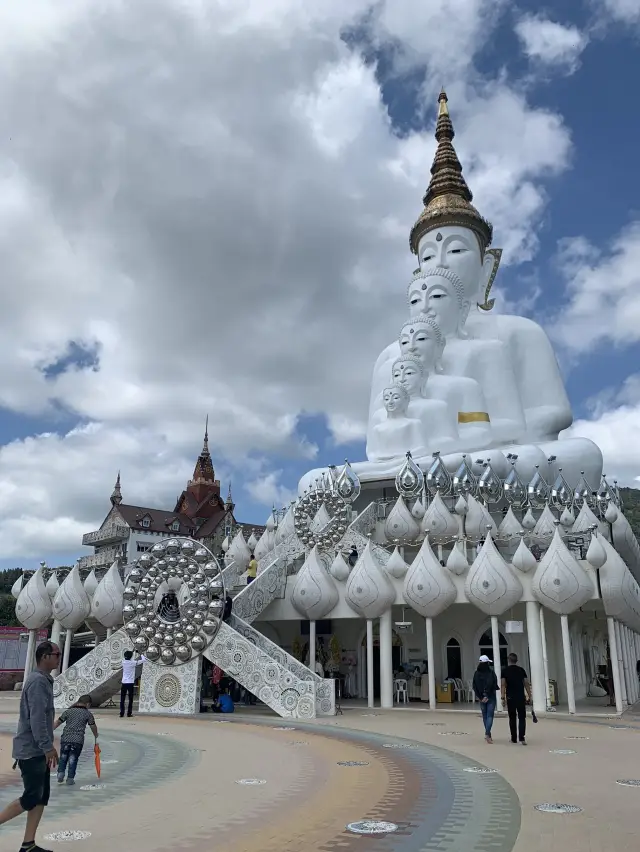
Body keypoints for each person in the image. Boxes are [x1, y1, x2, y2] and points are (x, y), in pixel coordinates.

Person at [0, 640, 60, 852]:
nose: (59, 658)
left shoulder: (44, 680)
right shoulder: (38, 682)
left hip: (38, 750)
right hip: (31, 751)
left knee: (41, 798)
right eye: (56, 654)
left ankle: (28, 844)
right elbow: (37, 719)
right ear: (45, 657)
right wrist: (47, 747)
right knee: (32, 796)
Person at [54, 695, 98, 785]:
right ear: (88, 704)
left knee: (63, 757)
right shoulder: (88, 714)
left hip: (66, 738)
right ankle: (70, 779)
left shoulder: (68, 711)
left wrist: (50, 730)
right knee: (73, 759)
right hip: (78, 740)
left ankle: (60, 774)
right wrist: (95, 735)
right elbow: (92, 726)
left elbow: (58, 722)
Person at [501, 653, 531, 746]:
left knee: (512, 717)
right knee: (522, 717)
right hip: (520, 697)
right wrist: (530, 695)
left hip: (510, 697)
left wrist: (502, 697)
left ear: (508, 660)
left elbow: (503, 684)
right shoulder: (521, 670)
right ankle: (522, 737)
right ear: (516, 660)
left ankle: (513, 738)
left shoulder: (505, 671)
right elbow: (526, 683)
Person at [472, 655, 498, 744]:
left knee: (485, 715)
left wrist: (480, 697)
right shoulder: (491, 673)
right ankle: (487, 733)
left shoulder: (476, 674)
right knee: (490, 716)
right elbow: (493, 684)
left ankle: (488, 734)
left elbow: (474, 686)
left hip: (481, 698)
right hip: (490, 697)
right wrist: (487, 695)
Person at [120, 650, 146, 718]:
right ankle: (129, 713)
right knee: (130, 699)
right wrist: (140, 653)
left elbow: (128, 657)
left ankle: (121, 713)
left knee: (122, 699)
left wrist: (132, 652)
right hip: (130, 682)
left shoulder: (123, 662)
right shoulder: (133, 663)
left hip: (124, 682)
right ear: (131, 656)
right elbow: (144, 660)